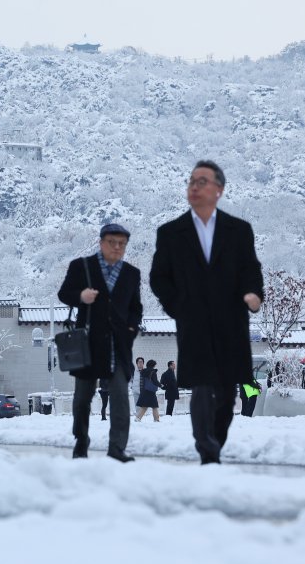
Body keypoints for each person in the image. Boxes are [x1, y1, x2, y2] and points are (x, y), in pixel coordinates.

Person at [150, 160, 264, 465]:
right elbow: (158, 278)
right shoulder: (171, 233)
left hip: (231, 323)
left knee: (227, 393)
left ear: (219, 190)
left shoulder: (239, 231)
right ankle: (207, 450)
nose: (195, 187)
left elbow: (251, 270)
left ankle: (215, 443)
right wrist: (179, 308)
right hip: (194, 323)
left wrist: (253, 295)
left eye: (202, 181)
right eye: (191, 181)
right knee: (201, 385)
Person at [57, 223, 142, 462]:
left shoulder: (131, 273)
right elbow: (64, 294)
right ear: (101, 243)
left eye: (122, 244)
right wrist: (81, 297)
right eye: (112, 242)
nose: (117, 247)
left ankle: (117, 447)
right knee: (82, 399)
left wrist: (131, 328)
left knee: (119, 397)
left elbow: (136, 308)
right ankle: (81, 441)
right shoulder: (82, 267)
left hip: (118, 345)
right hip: (88, 343)